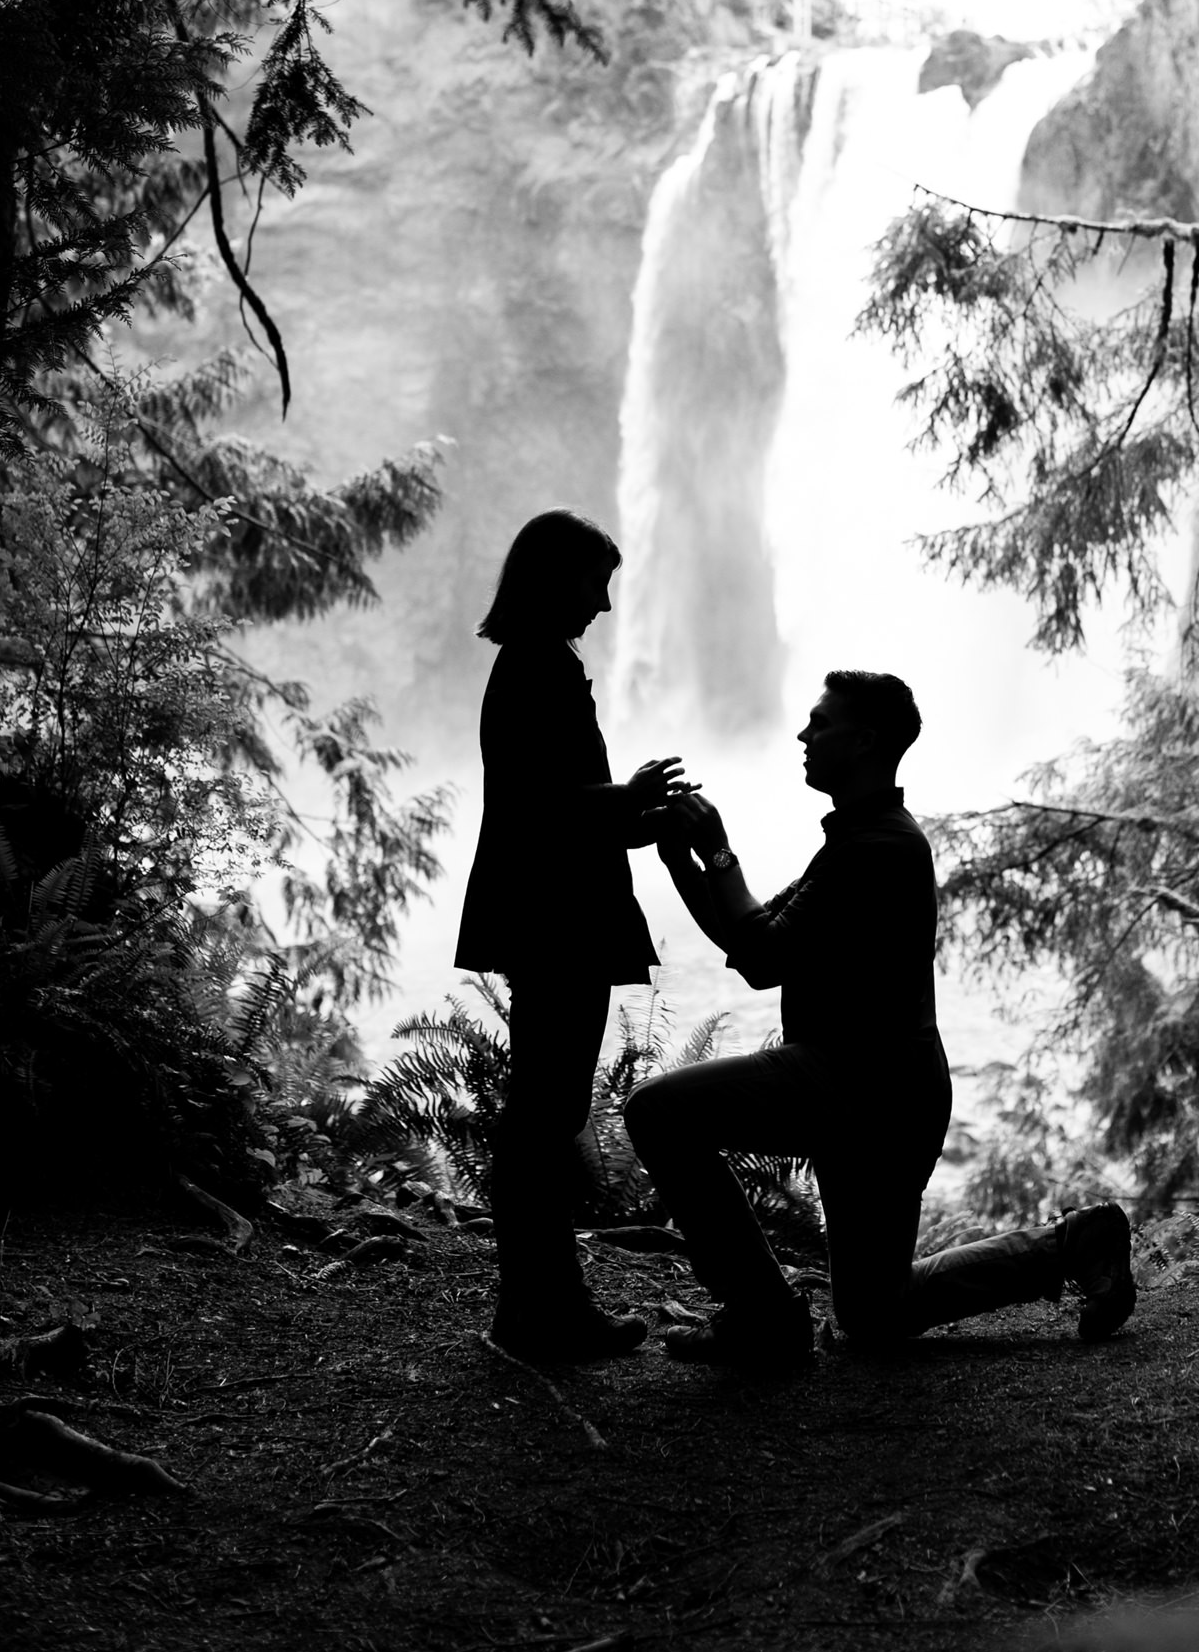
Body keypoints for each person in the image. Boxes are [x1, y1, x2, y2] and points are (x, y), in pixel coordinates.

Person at [624, 669, 1136, 1367]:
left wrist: (717, 850)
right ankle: (1076, 1243)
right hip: (880, 1091)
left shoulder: (881, 849)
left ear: (864, 741)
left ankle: (762, 1314)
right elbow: (750, 942)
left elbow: (764, 955)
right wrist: (679, 859)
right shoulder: (857, 841)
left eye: (820, 723)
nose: (802, 735)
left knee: (657, 1111)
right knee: (873, 1310)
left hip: (862, 1086)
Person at [455, 507, 691, 1363]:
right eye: (596, 583)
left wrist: (641, 815)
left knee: (545, 1109)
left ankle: (535, 1306)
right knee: (546, 1113)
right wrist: (630, 798)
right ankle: (545, 1311)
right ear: (556, 580)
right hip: (555, 916)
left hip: (547, 906)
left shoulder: (535, 661)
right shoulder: (537, 665)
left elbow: (559, 808)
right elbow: (542, 805)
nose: (604, 603)